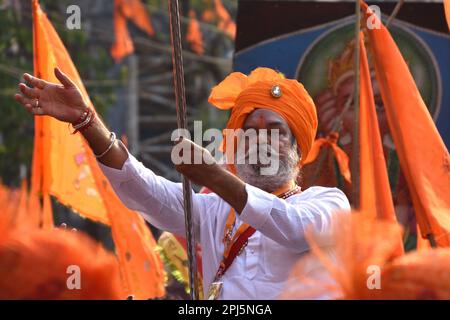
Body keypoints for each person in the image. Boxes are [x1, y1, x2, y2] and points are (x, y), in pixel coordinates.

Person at [15, 66, 350, 299]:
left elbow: (292, 228)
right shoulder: (215, 210)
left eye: (274, 131)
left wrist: (213, 176)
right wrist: (88, 121)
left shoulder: (329, 204)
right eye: (250, 131)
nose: (259, 140)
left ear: (297, 147)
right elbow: (144, 191)